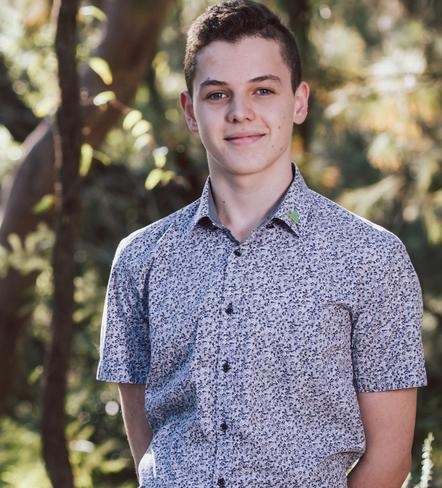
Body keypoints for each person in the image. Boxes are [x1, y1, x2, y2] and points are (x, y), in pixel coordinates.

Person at [96, 1, 428, 486]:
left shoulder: (371, 258)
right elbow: (145, 437)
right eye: (216, 95)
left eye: (263, 90)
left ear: (299, 101)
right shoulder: (141, 259)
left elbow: (389, 461)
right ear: (190, 111)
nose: (240, 112)